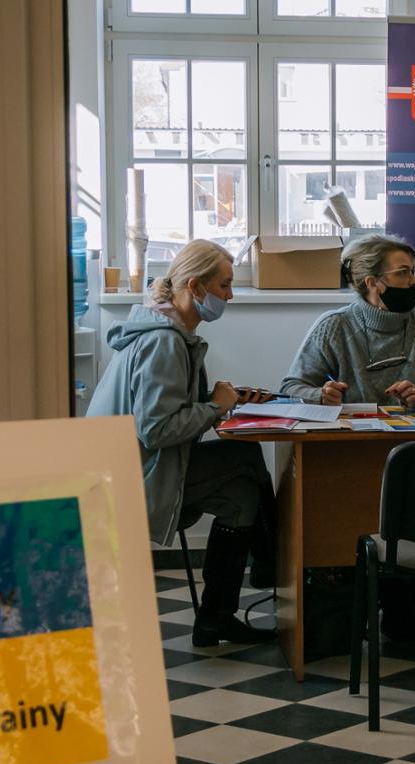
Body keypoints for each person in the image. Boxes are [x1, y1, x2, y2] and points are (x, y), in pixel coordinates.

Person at [87, 239, 278, 647]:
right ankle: (271, 561)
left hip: (128, 469)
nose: (230, 295)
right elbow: (156, 430)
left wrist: (218, 402)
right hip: (132, 479)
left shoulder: (166, 331)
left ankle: (216, 619)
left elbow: (165, 412)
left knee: (242, 496)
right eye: (224, 285)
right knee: (246, 455)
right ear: (195, 287)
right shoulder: (165, 342)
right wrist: (215, 407)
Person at [282, 233, 415, 640]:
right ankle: (367, 605)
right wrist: (321, 394)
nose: (413, 281)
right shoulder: (335, 325)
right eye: (402, 273)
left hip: (412, 449)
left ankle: (406, 605)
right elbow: (292, 386)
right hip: (353, 452)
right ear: (372, 282)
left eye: (413, 272)